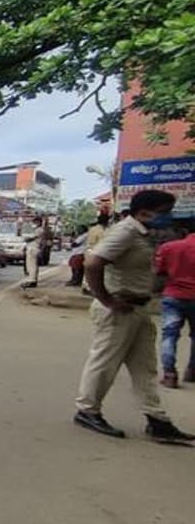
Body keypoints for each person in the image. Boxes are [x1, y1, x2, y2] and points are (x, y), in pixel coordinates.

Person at [74, 190, 193, 443]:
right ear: (144, 212)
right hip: (119, 307)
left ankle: (157, 419)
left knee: (145, 367)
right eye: (164, 211)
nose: (168, 217)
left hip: (138, 308)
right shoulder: (126, 231)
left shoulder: (143, 234)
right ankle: (87, 410)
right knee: (105, 362)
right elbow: (93, 263)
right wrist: (107, 300)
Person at [155, 223, 195, 388]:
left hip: (173, 296)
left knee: (169, 335)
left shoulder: (169, 247)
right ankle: (192, 371)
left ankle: (170, 374)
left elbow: (158, 271)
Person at [83, 212, 110, 294]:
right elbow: (91, 243)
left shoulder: (108, 229)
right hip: (92, 250)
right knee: (90, 270)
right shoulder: (95, 229)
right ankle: (87, 287)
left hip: (101, 252)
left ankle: (93, 288)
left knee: (99, 272)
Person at [19, 217, 46, 289]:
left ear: (39, 222)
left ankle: (32, 281)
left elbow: (30, 238)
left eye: (36, 222)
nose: (35, 223)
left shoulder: (39, 230)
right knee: (30, 265)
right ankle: (31, 280)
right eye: (35, 222)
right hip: (32, 248)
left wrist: (26, 239)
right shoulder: (36, 230)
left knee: (32, 265)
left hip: (34, 248)